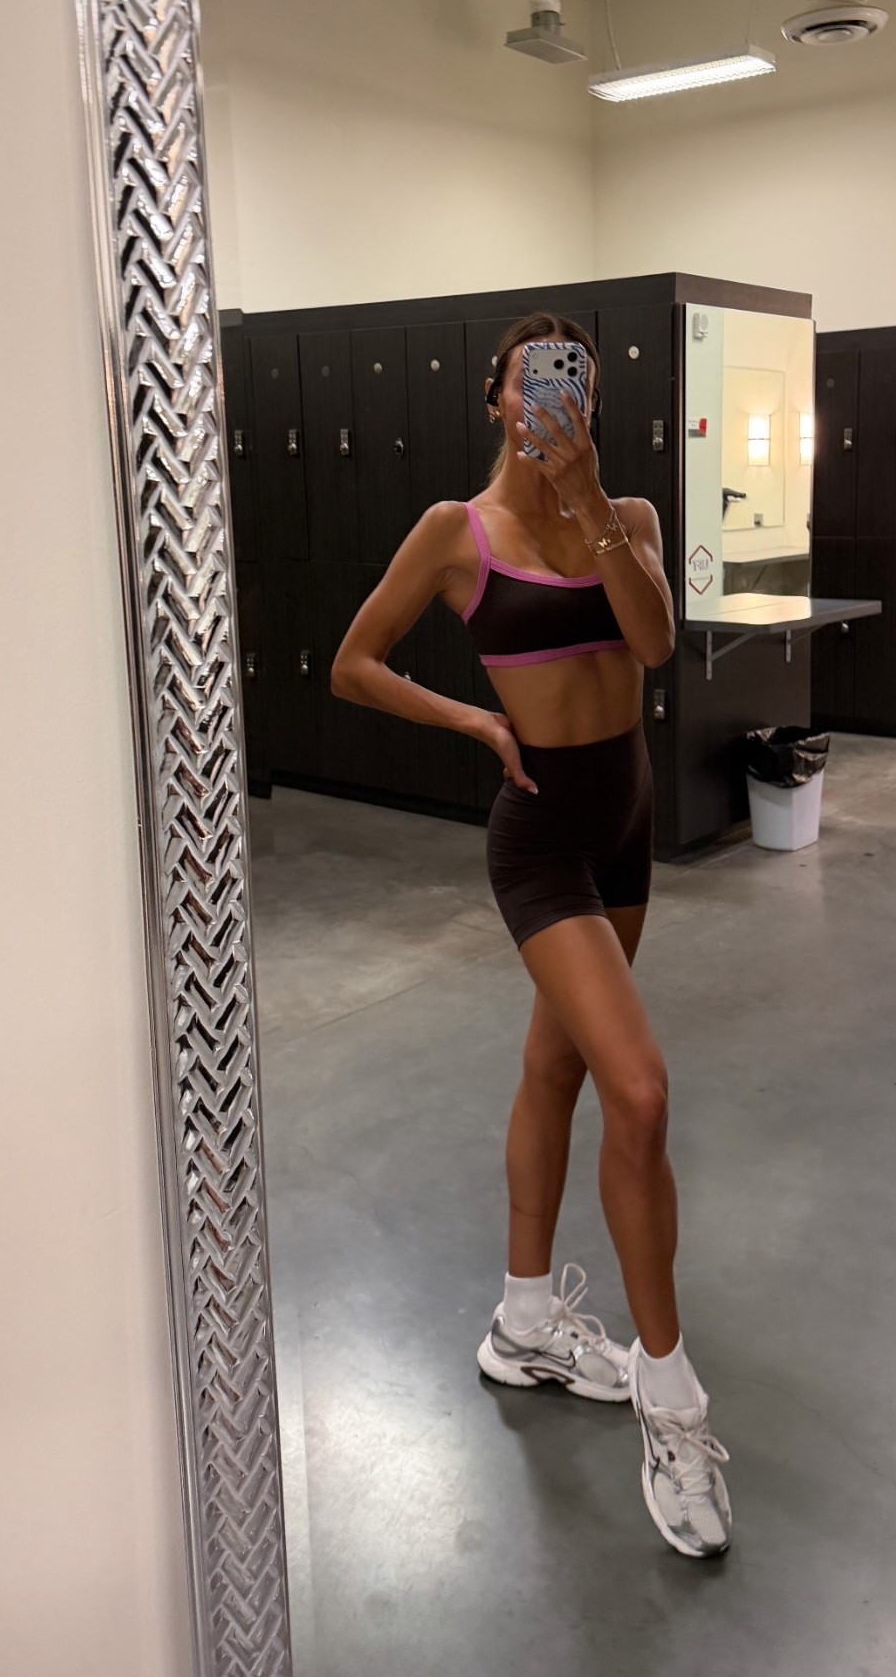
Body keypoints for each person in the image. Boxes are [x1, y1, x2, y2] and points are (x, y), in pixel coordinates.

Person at [329, 312, 731, 1557]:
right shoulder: (458, 532)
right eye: (534, 379)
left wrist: (594, 498)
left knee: (556, 1065)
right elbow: (353, 662)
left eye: (578, 382)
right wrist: (473, 720)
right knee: (640, 1091)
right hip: (543, 835)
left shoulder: (631, 514)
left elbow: (654, 642)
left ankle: (522, 1322)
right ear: (497, 398)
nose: (557, 397)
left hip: (627, 821)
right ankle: (671, 1399)